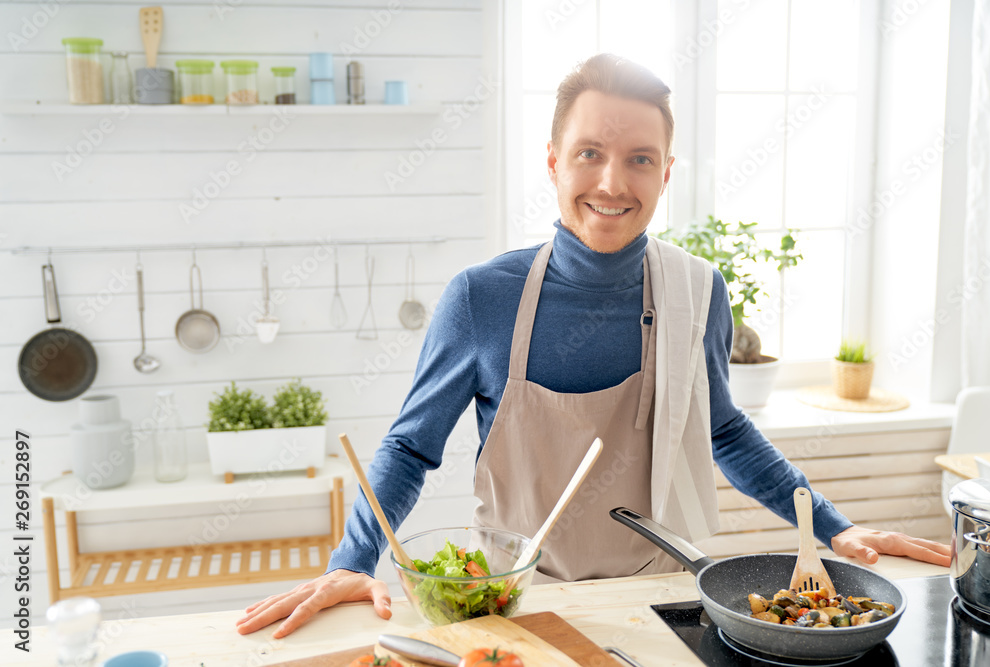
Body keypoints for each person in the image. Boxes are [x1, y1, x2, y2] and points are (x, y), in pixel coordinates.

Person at [236, 54, 951, 639]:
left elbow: (722, 426)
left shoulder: (697, 291)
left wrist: (836, 525)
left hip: (661, 599)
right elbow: (409, 449)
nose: (613, 181)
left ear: (666, 172)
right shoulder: (482, 298)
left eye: (640, 158)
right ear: (553, 162)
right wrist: (348, 559)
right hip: (510, 603)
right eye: (589, 153)